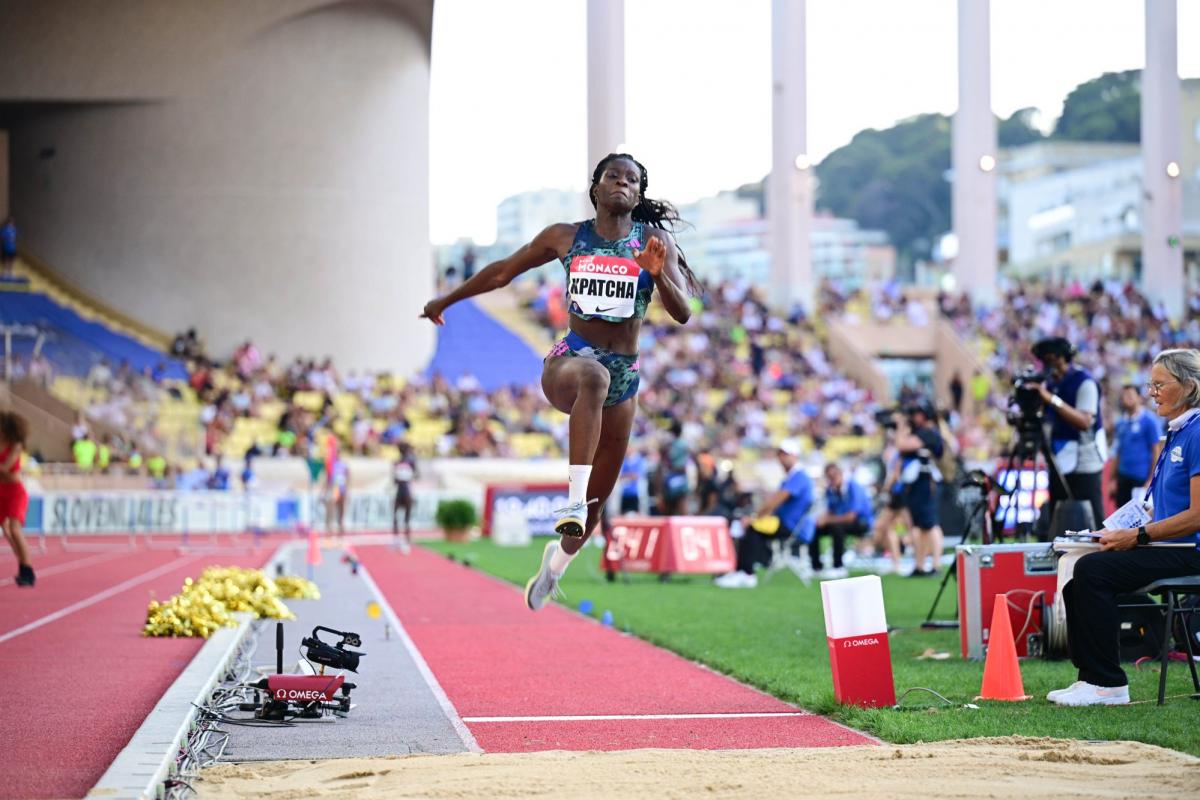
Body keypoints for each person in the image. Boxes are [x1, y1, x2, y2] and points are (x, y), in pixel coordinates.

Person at [421, 153, 698, 611]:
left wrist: (656, 275)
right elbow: (502, 271)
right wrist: (446, 299)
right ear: (596, 188)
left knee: (594, 513)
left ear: (638, 193)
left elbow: (683, 312)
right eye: (614, 176)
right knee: (593, 375)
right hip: (571, 362)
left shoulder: (652, 240)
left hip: (624, 378)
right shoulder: (567, 237)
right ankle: (571, 501)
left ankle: (555, 566)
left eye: (632, 180)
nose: (622, 184)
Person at [1051, 349, 1200, 706]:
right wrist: (1111, 532)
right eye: (1151, 383)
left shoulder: (1196, 433)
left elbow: (1197, 515)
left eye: (1159, 384)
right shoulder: (1177, 433)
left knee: (1094, 573)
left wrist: (1137, 536)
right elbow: (1156, 506)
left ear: (1189, 386)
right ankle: (1090, 677)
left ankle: (1109, 684)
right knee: (1079, 568)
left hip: (1190, 552)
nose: (1151, 391)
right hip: (1170, 546)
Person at [715, 439, 813, 589]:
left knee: (752, 528)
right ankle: (744, 569)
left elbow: (774, 502)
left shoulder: (798, 476)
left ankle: (746, 573)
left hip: (791, 525)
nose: (782, 457)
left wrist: (754, 517)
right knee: (751, 527)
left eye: (785, 454)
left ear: (795, 456)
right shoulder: (794, 476)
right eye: (780, 454)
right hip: (787, 523)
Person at [1034, 337, 1106, 533]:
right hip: (1060, 458)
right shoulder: (1049, 384)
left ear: (1064, 359)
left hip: (1085, 459)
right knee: (1058, 511)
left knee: (1092, 514)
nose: (1050, 367)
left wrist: (1051, 399)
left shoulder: (1084, 382)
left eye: (1053, 360)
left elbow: (1084, 421)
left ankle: (1103, 552)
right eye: (1045, 361)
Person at [895, 403, 945, 576]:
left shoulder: (928, 433)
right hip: (918, 483)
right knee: (920, 525)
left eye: (916, 414)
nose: (913, 418)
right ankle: (920, 564)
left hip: (926, 482)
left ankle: (936, 564)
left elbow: (902, 445)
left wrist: (901, 427)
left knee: (930, 523)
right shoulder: (924, 433)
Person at [811, 462, 873, 579]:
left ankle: (838, 566)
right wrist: (822, 519)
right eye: (829, 477)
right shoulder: (830, 490)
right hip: (840, 522)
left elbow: (851, 516)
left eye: (834, 475)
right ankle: (816, 566)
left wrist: (828, 520)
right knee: (815, 527)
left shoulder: (854, 487)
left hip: (861, 523)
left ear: (840, 473)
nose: (832, 479)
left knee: (837, 527)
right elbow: (831, 510)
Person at [1111, 383, 1162, 508]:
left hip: (1141, 479)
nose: (1126, 398)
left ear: (1139, 398)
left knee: (1139, 518)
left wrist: (1151, 480)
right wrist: (1113, 479)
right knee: (1121, 516)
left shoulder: (1149, 420)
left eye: (1130, 395)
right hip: (1123, 477)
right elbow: (1117, 452)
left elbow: (1156, 451)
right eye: (1124, 395)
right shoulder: (1120, 422)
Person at [0, 411, 34, 586]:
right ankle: (22, 563)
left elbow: (5, 469)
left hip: (15, 492)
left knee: (14, 528)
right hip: (0, 491)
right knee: (6, 529)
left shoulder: (16, 445)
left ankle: (27, 569)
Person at [392, 442, 418, 553]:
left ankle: (406, 540)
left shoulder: (411, 462)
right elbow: (394, 480)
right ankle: (396, 540)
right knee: (395, 515)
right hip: (400, 490)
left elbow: (417, 475)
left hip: (407, 491)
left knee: (407, 517)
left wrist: (408, 476)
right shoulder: (396, 462)